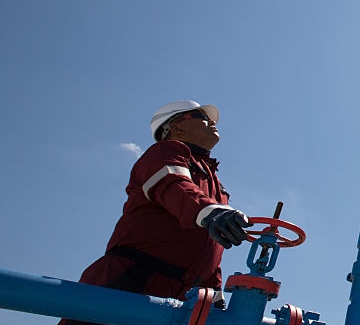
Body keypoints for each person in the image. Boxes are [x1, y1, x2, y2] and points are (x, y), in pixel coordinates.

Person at [59, 100, 251, 325]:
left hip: (176, 297)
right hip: (129, 281)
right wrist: (211, 212)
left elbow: (211, 248)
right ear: (176, 127)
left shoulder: (215, 183)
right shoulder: (164, 153)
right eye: (201, 116)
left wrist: (214, 297)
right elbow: (172, 183)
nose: (211, 122)